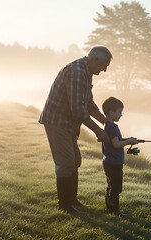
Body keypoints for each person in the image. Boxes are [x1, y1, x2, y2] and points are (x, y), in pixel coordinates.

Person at [39, 46, 112, 214]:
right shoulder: (77, 72)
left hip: (69, 124)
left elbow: (89, 104)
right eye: (104, 66)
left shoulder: (86, 73)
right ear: (95, 60)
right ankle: (66, 206)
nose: (105, 70)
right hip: (57, 122)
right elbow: (78, 111)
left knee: (75, 161)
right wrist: (98, 131)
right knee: (65, 163)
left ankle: (73, 201)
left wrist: (107, 123)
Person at [101, 97, 138, 216]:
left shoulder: (108, 125)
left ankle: (110, 209)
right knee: (116, 188)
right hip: (114, 163)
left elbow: (116, 141)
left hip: (109, 162)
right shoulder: (112, 127)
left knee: (111, 186)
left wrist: (129, 140)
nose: (121, 115)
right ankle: (114, 211)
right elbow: (116, 144)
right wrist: (128, 142)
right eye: (119, 112)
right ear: (111, 112)